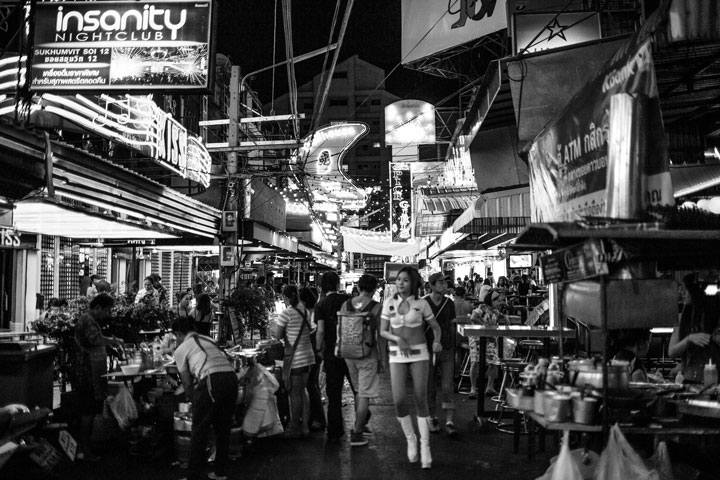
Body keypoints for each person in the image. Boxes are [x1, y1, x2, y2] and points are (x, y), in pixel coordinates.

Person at [380, 266, 441, 469]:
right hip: (396, 355)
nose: (400, 283)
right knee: (398, 400)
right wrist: (397, 338)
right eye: (398, 280)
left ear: (413, 283)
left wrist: (436, 342)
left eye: (405, 280)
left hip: (420, 354)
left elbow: (436, 327)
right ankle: (410, 438)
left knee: (420, 398)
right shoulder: (389, 303)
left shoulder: (421, 304)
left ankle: (425, 446)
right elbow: (383, 331)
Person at [172, 316, 237, 480]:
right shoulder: (207, 339)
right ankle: (220, 472)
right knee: (223, 428)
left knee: (200, 428)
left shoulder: (181, 349)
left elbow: (186, 383)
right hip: (230, 378)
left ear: (179, 333)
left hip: (211, 379)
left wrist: (194, 401)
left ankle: (193, 476)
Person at [74, 293, 124, 461]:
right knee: (87, 411)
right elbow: (96, 340)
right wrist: (114, 341)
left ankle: (85, 448)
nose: (108, 315)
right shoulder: (87, 320)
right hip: (86, 371)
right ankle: (85, 451)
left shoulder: (88, 319)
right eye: (107, 310)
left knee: (88, 410)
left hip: (88, 370)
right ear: (98, 307)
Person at [341, 274, 385, 447]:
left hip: (348, 352)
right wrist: (382, 358)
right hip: (368, 354)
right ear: (375, 289)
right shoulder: (376, 307)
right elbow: (380, 335)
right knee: (365, 394)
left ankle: (360, 424)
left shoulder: (347, 303)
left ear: (358, 287)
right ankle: (357, 433)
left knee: (359, 391)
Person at [314, 271, 353, 442]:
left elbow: (320, 331)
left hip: (332, 354)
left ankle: (335, 431)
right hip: (351, 352)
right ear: (338, 285)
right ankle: (361, 422)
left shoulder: (321, 304)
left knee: (334, 394)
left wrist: (318, 349)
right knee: (358, 389)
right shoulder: (348, 300)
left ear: (322, 286)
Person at [276, 285, 316, 438]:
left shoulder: (286, 314)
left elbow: (278, 335)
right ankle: (305, 426)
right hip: (308, 357)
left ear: (285, 298)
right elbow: (312, 329)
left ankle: (294, 427)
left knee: (294, 394)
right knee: (303, 391)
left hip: (295, 359)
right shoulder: (305, 311)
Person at [669, 274, 720, 384]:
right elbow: (671, 352)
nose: (682, 293)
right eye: (680, 290)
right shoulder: (680, 318)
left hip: (713, 378)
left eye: (685, 291)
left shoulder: (713, 315)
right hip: (690, 379)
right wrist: (689, 339)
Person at [423, 272, 458, 436]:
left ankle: (449, 421)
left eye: (445, 283)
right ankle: (433, 417)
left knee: (446, 387)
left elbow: (452, 325)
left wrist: (452, 345)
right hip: (427, 350)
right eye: (441, 283)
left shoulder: (449, 303)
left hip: (447, 349)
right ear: (432, 285)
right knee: (429, 387)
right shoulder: (424, 302)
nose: (444, 286)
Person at [469, 291, 508, 398]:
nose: (499, 302)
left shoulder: (495, 311)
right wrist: (484, 326)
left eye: (500, 300)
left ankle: (489, 387)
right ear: (490, 300)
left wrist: (505, 317)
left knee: (494, 363)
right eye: (497, 300)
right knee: (475, 362)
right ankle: (473, 388)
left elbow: (502, 317)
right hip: (477, 339)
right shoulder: (482, 308)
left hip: (490, 339)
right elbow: (473, 317)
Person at [299, 287, 325, 433]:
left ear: (303, 301)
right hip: (315, 352)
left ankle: (319, 419)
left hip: (313, 352)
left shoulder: (310, 314)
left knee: (310, 385)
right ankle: (313, 418)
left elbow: (315, 332)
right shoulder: (312, 312)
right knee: (312, 384)